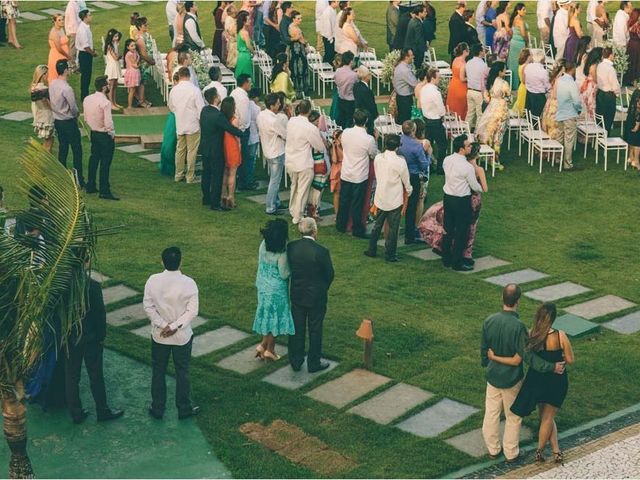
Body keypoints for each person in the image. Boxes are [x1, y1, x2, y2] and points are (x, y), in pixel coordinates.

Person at [481, 285, 565, 463]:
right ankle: (511, 453)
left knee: (491, 413)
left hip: (492, 377)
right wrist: (551, 367)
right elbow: (527, 356)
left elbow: (484, 348)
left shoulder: (489, 320)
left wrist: (487, 363)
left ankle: (493, 448)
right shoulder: (518, 326)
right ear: (518, 301)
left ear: (502, 298)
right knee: (513, 416)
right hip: (511, 379)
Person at [144, 247, 200, 421]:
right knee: (182, 372)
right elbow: (193, 311)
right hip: (181, 337)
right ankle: (184, 408)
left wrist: (163, 325)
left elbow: (148, 306)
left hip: (159, 336)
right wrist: (175, 326)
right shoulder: (189, 283)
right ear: (180, 261)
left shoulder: (153, 280)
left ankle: (158, 408)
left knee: (158, 371)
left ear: (162, 261)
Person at [65, 276, 123, 424]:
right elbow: (99, 313)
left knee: (72, 376)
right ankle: (102, 410)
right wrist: (101, 335)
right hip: (91, 337)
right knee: (96, 375)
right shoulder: (92, 285)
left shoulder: (61, 282)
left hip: (70, 337)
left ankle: (76, 413)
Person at [287, 218, 334, 373]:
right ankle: (314, 362)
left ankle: (295, 360)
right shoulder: (321, 251)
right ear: (315, 231)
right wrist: (322, 288)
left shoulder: (292, 247)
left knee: (297, 328)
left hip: (298, 294)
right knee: (315, 329)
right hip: (316, 296)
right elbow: (329, 274)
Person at [251, 218, 296, 361]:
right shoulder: (282, 252)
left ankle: (263, 345)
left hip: (263, 286)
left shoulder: (263, 244)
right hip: (276, 290)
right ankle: (270, 349)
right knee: (274, 319)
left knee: (267, 316)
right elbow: (284, 274)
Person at [364, 134, 412, 263]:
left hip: (380, 197)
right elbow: (406, 181)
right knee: (393, 228)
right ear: (397, 147)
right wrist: (409, 191)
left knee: (377, 226)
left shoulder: (379, 158)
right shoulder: (400, 161)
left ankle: (371, 249)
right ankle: (390, 254)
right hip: (394, 199)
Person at [441, 134, 482, 271]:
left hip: (448, 197)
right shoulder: (467, 167)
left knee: (448, 228)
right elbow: (474, 185)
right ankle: (457, 262)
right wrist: (481, 188)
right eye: (468, 145)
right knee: (462, 231)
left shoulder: (447, 160)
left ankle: (446, 257)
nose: (470, 147)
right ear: (461, 149)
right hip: (462, 200)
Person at [336, 109, 378, 239]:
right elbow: (373, 154)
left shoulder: (346, 133)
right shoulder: (368, 139)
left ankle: (341, 225)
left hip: (347, 171)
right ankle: (357, 229)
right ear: (366, 121)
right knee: (357, 203)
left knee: (344, 200)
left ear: (354, 120)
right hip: (359, 175)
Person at [199, 87, 243, 210]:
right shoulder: (218, 115)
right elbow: (230, 128)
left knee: (206, 174)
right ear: (215, 98)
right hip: (216, 150)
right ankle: (215, 203)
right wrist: (242, 134)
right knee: (217, 176)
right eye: (218, 95)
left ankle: (206, 198)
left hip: (205, 147)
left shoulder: (204, 111)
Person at [285, 100, 327, 225]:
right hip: (303, 162)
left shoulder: (291, 121)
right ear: (309, 111)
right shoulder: (310, 127)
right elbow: (320, 147)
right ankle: (297, 216)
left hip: (291, 160)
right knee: (302, 190)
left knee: (294, 187)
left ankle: (293, 210)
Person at [50, 59, 84, 187]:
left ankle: (62, 176)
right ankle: (78, 178)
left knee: (63, 148)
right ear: (65, 70)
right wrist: (76, 115)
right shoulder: (67, 88)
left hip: (58, 120)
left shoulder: (53, 83)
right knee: (77, 150)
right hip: (68, 121)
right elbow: (73, 107)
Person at [84, 76, 118, 200]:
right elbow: (108, 122)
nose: (109, 87)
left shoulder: (88, 99)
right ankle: (104, 190)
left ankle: (91, 184)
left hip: (94, 133)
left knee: (94, 159)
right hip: (104, 135)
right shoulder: (105, 103)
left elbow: (86, 117)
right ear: (104, 87)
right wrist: (112, 133)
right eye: (108, 85)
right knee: (105, 163)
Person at [169, 67, 205, 184]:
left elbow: (171, 106)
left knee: (180, 150)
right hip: (193, 124)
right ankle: (190, 176)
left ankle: (178, 174)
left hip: (180, 123)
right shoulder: (194, 90)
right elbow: (200, 108)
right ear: (189, 76)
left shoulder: (174, 90)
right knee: (191, 151)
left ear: (179, 76)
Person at [398, 120, 430, 245]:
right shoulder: (417, 146)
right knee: (411, 206)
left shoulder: (399, 140)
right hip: (413, 176)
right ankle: (409, 236)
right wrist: (428, 155)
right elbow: (424, 165)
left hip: (400, 174)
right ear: (413, 131)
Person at [257, 93, 288, 215]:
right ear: (272, 105)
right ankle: (270, 207)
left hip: (267, 149)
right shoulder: (274, 120)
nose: (280, 105)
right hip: (276, 151)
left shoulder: (261, 115)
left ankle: (276, 202)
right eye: (278, 104)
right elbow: (285, 135)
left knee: (273, 179)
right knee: (275, 181)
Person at [476, 62, 510, 170]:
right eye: (504, 70)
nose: (505, 72)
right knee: (498, 137)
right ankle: (495, 160)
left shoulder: (490, 81)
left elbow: (486, 97)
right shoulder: (504, 83)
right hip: (501, 110)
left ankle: (488, 158)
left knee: (489, 132)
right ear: (500, 72)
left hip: (491, 108)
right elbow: (509, 98)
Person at [554, 63, 582, 171]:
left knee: (560, 137)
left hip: (560, 112)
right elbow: (576, 101)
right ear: (573, 69)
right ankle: (567, 163)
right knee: (569, 139)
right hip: (570, 113)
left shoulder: (559, 80)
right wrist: (579, 109)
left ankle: (557, 159)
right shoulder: (572, 83)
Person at [420, 68, 447, 174]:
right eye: (438, 78)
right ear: (432, 78)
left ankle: (428, 166)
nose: (439, 80)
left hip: (426, 119)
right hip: (435, 121)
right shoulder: (435, 92)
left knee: (427, 144)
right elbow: (441, 109)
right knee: (442, 145)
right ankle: (440, 168)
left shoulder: (424, 88)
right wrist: (443, 115)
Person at [306, 110, 331, 222]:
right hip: (319, 163)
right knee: (317, 190)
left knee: (314, 189)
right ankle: (314, 212)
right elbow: (323, 146)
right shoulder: (315, 132)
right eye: (317, 121)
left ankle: (311, 210)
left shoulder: (309, 131)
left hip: (315, 163)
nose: (318, 123)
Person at [231, 74, 255, 191]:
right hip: (242, 129)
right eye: (249, 82)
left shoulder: (234, 93)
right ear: (245, 83)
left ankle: (241, 180)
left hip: (235, 127)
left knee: (240, 155)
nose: (251, 84)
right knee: (244, 156)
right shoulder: (243, 98)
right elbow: (245, 118)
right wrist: (244, 128)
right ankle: (244, 182)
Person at [219, 96, 242, 209]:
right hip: (232, 146)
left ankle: (223, 195)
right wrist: (239, 147)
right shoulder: (234, 120)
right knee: (232, 173)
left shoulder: (221, 118)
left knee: (224, 172)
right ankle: (230, 197)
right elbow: (237, 136)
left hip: (224, 146)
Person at [30, 65, 55, 153]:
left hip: (39, 116)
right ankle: (45, 162)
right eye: (47, 74)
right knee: (49, 142)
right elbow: (50, 105)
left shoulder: (33, 88)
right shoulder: (44, 90)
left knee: (46, 141)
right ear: (43, 75)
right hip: (47, 117)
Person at [596, 47, 621, 133]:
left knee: (600, 117)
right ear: (610, 55)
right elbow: (614, 85)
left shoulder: (599, 65)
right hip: (608, 96)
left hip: (600, 93)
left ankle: (598, 138)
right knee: (608, 119)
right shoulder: (610, 69)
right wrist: (617, 94)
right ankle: (605, 138)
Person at [133, 17, 156, 108]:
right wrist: (151, 61)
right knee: (142, 82)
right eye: (145, 25)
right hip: (144, 63)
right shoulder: (140, 39)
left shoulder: (145, 34)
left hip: (147, 63)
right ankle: (141, 101)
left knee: (144, 81)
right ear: (139, 26)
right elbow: (143, 54)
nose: (147, 26)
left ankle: (143, 98)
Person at [465, 44, 489, 132]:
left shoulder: (468, 63)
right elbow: (485, 79)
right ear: (480, 52)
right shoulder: (483, 65)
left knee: (470, 114)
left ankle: (466, 132)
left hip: (470, 90)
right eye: (483, 50)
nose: (484, 52)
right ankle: (477, 133)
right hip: (479, 92)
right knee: (480, 115)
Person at [541, 62, 565, 146]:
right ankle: (553, 148)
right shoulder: (560, 80)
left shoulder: (555, 78)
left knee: (548, 125)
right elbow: (555, 95)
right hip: (555, 104)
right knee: (554, 126)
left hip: (550, 102)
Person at [392, 48, 418, 125]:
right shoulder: (404, 70)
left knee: (402, 118)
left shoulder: (400, 65)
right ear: (406, 57)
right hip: (405, 99)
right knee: (406, 121)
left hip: (400, 97)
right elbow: (414, 84)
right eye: (411, 55)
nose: (413, 56)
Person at [76, 9, 97, 102]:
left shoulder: (86, 27)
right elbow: (85, 46)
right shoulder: (82, 29)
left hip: (87, 54)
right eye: (89, 15)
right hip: (85, 55)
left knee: (87, 75)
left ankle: (85, 94)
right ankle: (84, 96)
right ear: (85, 17)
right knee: (85, 76)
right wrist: (93, 53)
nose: (91, 16)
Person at [506, 4, 528, 91]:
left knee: (513, 63)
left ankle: (512, 83)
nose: (525, 11)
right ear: (518, 10)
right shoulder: (520, 21)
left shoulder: (514, 18)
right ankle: (518, 83)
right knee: (519, 63)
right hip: (519, 44)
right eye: (523, 9)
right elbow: (523, 34)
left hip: (514, 42)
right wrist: (527, 41)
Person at [334, 50, 358, 129]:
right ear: (351, 61)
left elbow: (336, 82)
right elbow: (356, 86)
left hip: (340, 99)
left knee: (341, 120)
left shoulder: (338, 71)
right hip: (350, 101)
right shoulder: (354, 75)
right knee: (349, 122)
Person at [524, 50, 550, 118]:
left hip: (529, 93)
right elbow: (547, 86)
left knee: (529, 115)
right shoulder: (543, 71)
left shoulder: (528, 67)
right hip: (539, 97)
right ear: (542, 59)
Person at [289, 11, 309, 98]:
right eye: (298, 18)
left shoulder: (292, 26)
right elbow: (302, 40)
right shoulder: (295, 29)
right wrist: (306, 44)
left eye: (300, 18)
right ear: (293, 19)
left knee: (296, 69)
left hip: (295, 49)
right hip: (298, 51)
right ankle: (300, 90)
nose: (300, 20)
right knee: (299, 69)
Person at [447, 42, 469, 120]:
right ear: (464, 52)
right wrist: (470, 78)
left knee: (453, 106)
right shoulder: (463, 64)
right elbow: (462, 79)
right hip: (461, 87)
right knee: (461, 107)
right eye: (468, 50)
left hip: (453, 84)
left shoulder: (455, 59)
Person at [353, 66, 378, 135]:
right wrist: (376, 115)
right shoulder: (367, 91)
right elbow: (371, 105)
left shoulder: (356, 86)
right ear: (366, 76)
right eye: (369, 74)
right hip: (366, 116)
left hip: (358, 113)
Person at [48, 14, 71, 84]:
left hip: (63, 55)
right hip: (57, 56)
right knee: (56, 75)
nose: (62, 21)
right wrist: (68, 56)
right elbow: (59, 48)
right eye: (59, 20)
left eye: (62, 19)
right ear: (55, 21)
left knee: (63, 74)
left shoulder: (61, 29)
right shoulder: (55, 33)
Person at [581, 47, 603, 119]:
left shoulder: (589, 62)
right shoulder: (594, 66)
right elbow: (595, 78)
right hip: (591, 86)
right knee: (591, 103)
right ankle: (590, 120)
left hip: (588, 84)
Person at [103, 29, 123, 110]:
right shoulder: (109, 46)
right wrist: (119, 56)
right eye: (115, 36)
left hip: (115, 65)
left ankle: (114, 102)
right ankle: (111, 103)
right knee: (111, 86)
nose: (117, 38)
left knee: (115, 85)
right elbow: (115, 57)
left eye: (117, 36)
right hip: (112, 66)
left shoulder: (115, 44)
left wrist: (118, 56)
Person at [405, 5, 427, 70]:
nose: (426, 13)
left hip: (411, 49)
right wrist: (424, 48)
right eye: (424, 12)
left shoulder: (412, 20)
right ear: (420, 13)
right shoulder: (418, 24)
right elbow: (419, 40)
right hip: (417, 52)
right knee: (417, 69)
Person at [123, 39, 141, 109]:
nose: (134, 47)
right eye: (132, 46)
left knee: (133, 89)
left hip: (134, 72)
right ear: (128, 47)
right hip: (132, 73)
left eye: (134, 45)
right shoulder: (130, 54)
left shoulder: (134, 52)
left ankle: (139, 100)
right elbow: (135, 65)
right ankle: (129, 106)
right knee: (132, 90)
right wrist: (140, 64)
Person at [624, 84, 640, 169]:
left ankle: (631, 157)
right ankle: (636, 161)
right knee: (637, 140)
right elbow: (638, 109)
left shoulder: (636, 91)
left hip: (630, 118)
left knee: (631, 138)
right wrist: (637, 123)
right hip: (636, 119)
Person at [235, 10, 254, 79]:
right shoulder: (245, 33)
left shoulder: (240, 31)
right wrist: (254, 52)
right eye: (248, 19)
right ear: (244, 22)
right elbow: (248, 45)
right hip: (245, 56)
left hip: (241, 56)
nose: (250, 21)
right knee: (246, 75)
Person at [64, 0, 82, 70]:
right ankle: (72, 65)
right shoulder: (71, 5)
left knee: (76, 48)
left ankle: (75, 64)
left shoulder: (75, 3)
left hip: (75, 29)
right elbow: (73, 20)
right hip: (74, 30)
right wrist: (78, 31)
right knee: (73, 48)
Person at [330, 129, 344, 215]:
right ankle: (337, 213)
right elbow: (334, 160)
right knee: (337, 193)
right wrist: (335, 147)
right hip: (337, 170)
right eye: (341, 137)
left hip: (345, 169)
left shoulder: (346, 147)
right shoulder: (333, 148)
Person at [625, 8, 640, 85]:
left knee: (631, 62)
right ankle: (634, 80)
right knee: (636, 62)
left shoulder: (630, 23)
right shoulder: (637, 25)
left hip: (631, 44)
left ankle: (630, 79)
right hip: (637, 45)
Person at [513, 48, 530, 116]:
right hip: (524, 88)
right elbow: (524, 80)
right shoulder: (525, 66)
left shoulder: (521, 65)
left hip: (522, 87)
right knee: (522, 105)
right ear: (528, 57)